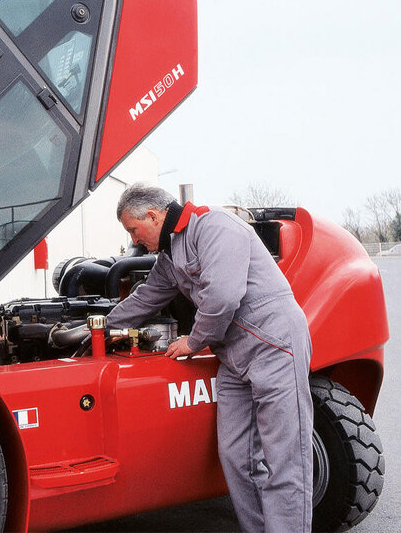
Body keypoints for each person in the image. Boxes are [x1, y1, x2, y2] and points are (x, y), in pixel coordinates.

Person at [106, 182, 313, 533]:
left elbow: (223, 295)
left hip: (273, 345)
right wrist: (98, 328)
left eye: (133, 229)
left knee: (285, 460)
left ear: (153, 216)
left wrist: (194, 341)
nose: (135, 239)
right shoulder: (170, 256)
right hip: (233, 356)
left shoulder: (215, 227)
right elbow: (146, 298)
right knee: (236, 457)